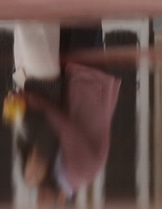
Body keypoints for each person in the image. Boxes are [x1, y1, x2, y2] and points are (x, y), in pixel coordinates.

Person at [9, 21, 120, 204]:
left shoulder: (59, 174)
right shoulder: (76, 173)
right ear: (61, 202)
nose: (39, 200)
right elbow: (67, 130)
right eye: (44, 205)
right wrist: (40, 103)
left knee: (68, 21)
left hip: (76, 83)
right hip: (88, 82)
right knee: (84, 20)